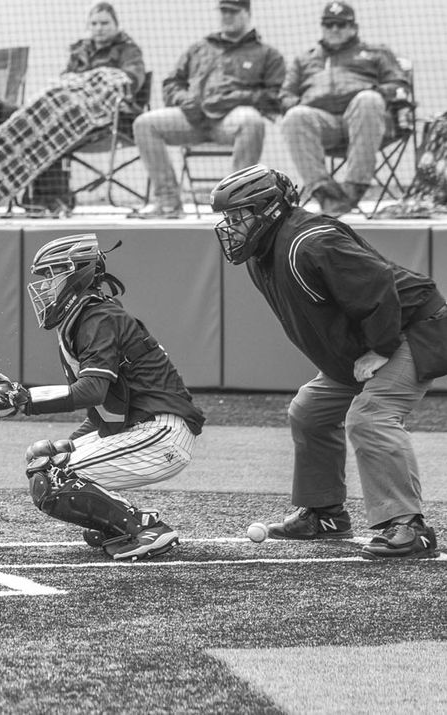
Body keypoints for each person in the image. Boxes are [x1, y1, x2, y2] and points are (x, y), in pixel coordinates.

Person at [210, 164, 446, 559]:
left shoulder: (312, 242)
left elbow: (380, 287)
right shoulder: (262, 253)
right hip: (368, 342)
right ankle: (326, 514)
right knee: (310, 411)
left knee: (371, 416)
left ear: (269, 208)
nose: (231, 226)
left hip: (413, 329)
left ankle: (409, 526)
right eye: (228, 218)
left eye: (238, 216)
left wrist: (382, 349)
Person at [0, 234, 205, 561]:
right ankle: (128, 522)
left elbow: (91, 391)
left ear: (76, 273)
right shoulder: (85, 319)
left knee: (54, 479)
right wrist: (69, 444)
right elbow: (101, 412)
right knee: (46, 461)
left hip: (161, 433)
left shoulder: (98, 318)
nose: (46, 286)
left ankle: (145, 531)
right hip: (146, 430)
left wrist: (24, 400)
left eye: (52, 275)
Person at [129, 0, 284, 219]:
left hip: (230, 120)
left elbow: (274, 96)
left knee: (252, 121)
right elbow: (172, 83)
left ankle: (238, 204)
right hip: (193, 117)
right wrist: (185, 100)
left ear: (247, 13)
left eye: (233, 11)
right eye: (223, 11)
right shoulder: (199, 48)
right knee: (144, 123)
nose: (226, 16)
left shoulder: (267, 54)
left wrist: (235, 98)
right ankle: (167, 203)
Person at [279, 1, 412, 217]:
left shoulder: (376, 52)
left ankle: (353, 187)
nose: (334, 29)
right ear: (322, 27)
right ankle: (324, 192)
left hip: (366, 121)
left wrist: (376, 91)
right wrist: (296, 103)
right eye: (329, 24)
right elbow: (285, 96)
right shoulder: (304, 59)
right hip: (323, 124)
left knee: (368, 99)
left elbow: (399, 85)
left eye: (341, 25)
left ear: (353, 27)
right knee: (295, 116)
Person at [28, 2, 146, 216]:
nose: (99, 27)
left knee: (55, 134)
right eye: (94, 23)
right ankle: (44, 200)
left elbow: (132, 80)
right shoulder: (79, 51)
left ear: (116, 25)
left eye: (104, 23)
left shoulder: (129, 50)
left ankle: (57, 200)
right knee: (42, 130)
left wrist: (94, 84)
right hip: (75, 119)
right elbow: (65, 80)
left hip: (113, 120)